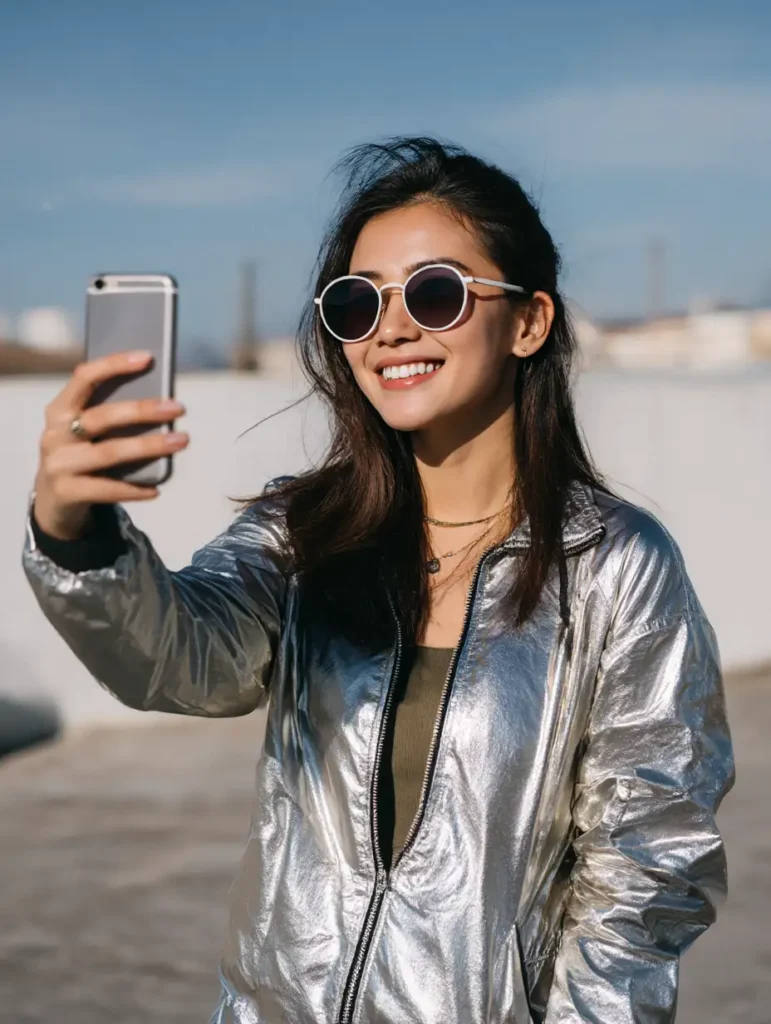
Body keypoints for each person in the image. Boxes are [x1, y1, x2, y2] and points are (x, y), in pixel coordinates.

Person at [23, 138, 734, 1024]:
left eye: (435, 292)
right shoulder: (303, 533)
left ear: (528, 321)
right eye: (356, 304)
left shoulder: (616, 563)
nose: (391, 329)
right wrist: (77, 534)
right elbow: (181, 660)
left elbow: (648, 863)